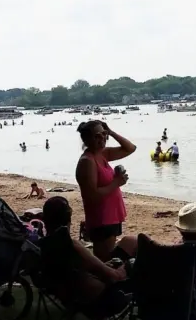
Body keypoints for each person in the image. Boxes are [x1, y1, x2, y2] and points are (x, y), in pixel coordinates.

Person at [38, 196, 128, 309]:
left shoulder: (45, 246)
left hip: (68, 292)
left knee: (127, 244)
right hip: (100, 300)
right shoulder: (73, 246)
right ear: (68, 219)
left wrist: (102, 266)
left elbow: (75, 268)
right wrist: (127, 266)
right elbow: (116, 276)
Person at [75, 120, 137, 261]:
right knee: (105, 259)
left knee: (109, 256)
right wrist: (117, 183)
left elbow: (130, 148)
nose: (102, 138)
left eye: (104, 134)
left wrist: (111, 132)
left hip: (111, 216)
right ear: (87, 140)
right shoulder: (87, 161)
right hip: (101, 218)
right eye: (97, 136)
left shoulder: (102, 154)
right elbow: (92, 195)